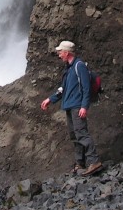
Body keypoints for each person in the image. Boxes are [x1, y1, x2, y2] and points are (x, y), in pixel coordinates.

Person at [40, 40, 103, 176]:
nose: (59, 55)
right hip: (69, 105)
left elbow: (86, 88)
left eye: (60, 52)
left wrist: (84, 106)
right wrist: (50, 99)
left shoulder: (79, 66)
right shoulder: (68, 69)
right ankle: (80, 163)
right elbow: (63, 89)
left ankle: (94, 161)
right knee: (74, 135)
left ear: (67, 52)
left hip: (77, 106)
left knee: (81, 133)